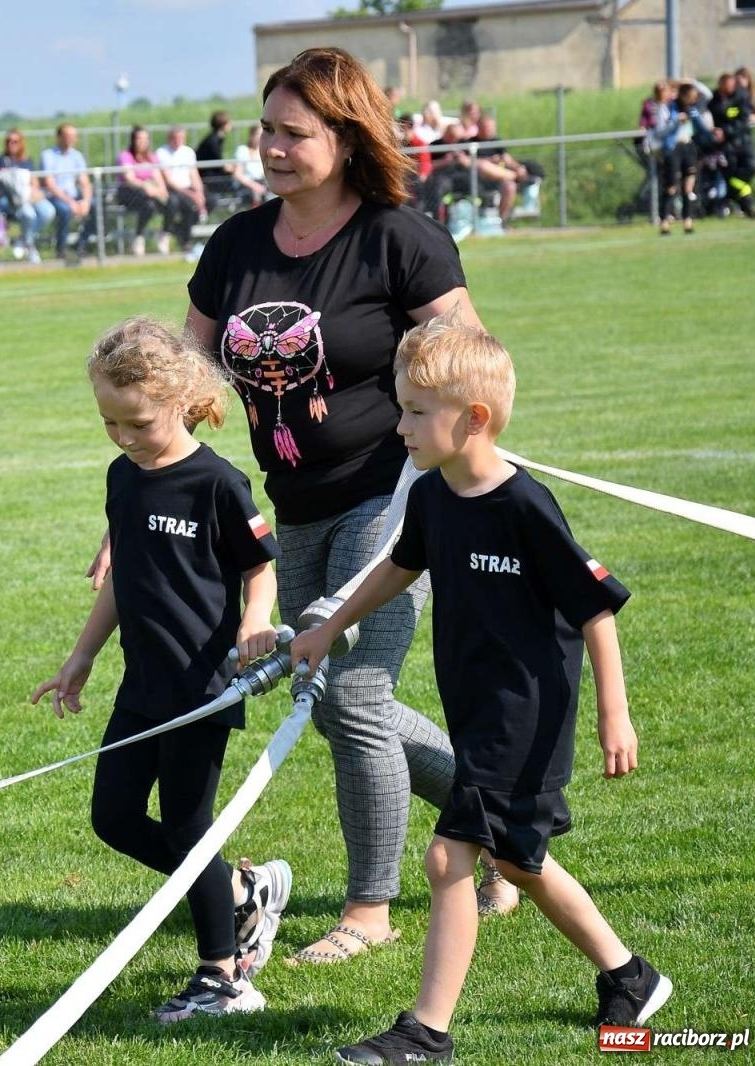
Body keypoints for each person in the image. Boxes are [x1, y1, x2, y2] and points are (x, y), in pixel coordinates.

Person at [96, 45, 519, 967]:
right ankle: (502, 819)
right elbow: (183, 380)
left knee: (358, 689)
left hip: (391, 496)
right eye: (266, 131)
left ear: (345, 134)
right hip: (294, 507)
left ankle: (369, 910)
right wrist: (130, 511)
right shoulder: (237, 245)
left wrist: (453, 462)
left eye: (294, 133)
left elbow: (471, 358)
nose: (272, 149)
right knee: (330, 699)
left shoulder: (398, 238)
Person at [293, 316, 669, 1064]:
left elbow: (596, 608)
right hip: (475, 708)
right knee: (522, 863)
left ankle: (425, 1032)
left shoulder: (523, 505)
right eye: (400, 407)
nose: (399, 426)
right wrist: (329, 627)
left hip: (527, 714)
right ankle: (630, 976)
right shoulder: (432, 497)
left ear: (474, 420)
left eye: (414, 412)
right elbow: (398, 568)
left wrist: (613, 716)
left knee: (447, 860)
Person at [33, 315, 291, 1022]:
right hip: (142, 684)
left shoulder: (217, 482)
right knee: (113, 817)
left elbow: (259, 567)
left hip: (201, 690)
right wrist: (82, 657)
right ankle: (239, 897)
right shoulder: (124, 478)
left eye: (136, 423)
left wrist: (254, 618)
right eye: (108, 423)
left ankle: (223, 978)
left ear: (179, 401)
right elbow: (121, 574)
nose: (121, 438)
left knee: (188, 829)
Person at [652, 79, 713, 234]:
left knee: (688, 187)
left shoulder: (692, 109)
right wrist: (676, 121)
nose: (694, 98)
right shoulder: (670, 107)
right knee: (671, 186)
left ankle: (688, 221)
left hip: (688, 147)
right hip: (673, 148)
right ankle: (664, 222)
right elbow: (661, 132)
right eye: (691, 95)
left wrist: (691, 80)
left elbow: (707, 95)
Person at [0, 129, 54, 263]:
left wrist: (35, 192)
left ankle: (22, 239)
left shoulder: (27, 160)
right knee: (29, 215)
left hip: (29, 196)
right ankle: (30, 247)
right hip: (11, 199)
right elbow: (7, 185)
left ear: (21, 143)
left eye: (15, 141)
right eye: (8, 141)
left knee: (48, 211)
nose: (11, 144)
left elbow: (34, 181)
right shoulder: (2, 161)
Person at [709, 71, 755, 218]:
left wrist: (726, 130)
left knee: (751, 167)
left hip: (743, 143)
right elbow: (714, 116)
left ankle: (726, 199)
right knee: (732, 176)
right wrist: (716, 131)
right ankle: (749, 208)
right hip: (726, 147)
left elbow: (743, 120)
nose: (729, 89)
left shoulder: (741, 96)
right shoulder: (715, 99)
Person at [40, 123, 95, 254]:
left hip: (74, 196)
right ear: (59, 137)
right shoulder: (48, 155)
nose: (72, 139)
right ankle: (61, 249)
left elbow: (85, 182)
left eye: (74, 136)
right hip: (55, 197)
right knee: (65, 211)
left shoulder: (77, 156)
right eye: (68, 136)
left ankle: (81, 244)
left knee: (97, 207)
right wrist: (70, 202)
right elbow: (50, 184)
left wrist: (86, 201)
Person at [116, 126, 171, 256]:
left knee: (172, 202)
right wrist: (146, 187)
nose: (143, 142)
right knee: (149, 206)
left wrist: (162, 189)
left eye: (145, 139)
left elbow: (157, 176)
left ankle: (164, 234)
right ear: (133, 140)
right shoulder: (125, 156)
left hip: (150, 192)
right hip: (130, 192)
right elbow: (129, 179)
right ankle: (138, 236)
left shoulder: (151, 157)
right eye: (139, 138)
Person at [155, 125, 206, 256]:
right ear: (169, 138)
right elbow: (169, 180)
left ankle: (181, 232)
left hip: (188, 189)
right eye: (175, 138)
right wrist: (191, 195)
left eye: (181, 138)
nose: (178, 141)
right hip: (172, 190)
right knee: (186, 205)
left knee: (211, 200)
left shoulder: (188, 152)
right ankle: (182, 238)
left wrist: (199, 193)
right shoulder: (162, 152)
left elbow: (194, 175)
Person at [196, 110, 237, 208]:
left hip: (211, 173)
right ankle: (234, 206)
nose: (231, 125)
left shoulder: (216, 138)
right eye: (229, 123)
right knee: (236, 182)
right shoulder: (213, 141)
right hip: (208, 177)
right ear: (223, 125)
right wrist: (232, 169)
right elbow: (219, 164)